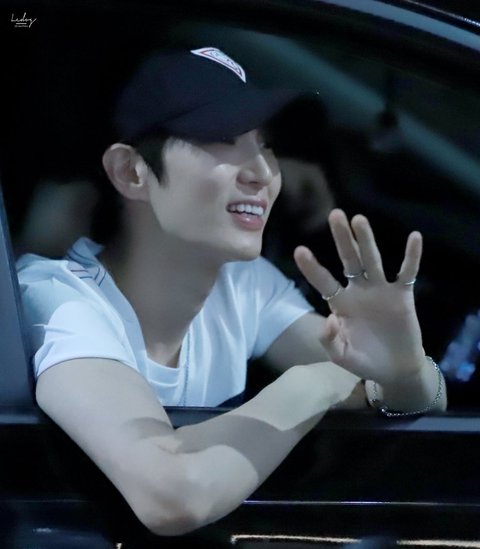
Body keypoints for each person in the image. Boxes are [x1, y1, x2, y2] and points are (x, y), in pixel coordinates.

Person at [17, 46, 446, 536]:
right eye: (221, 139)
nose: (262, 172)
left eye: (264, 145)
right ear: (131, 172)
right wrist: (312, 384)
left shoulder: (243, 286)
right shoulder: (59, 300)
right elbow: (172, 494)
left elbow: (406, 392)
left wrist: (405, 370)